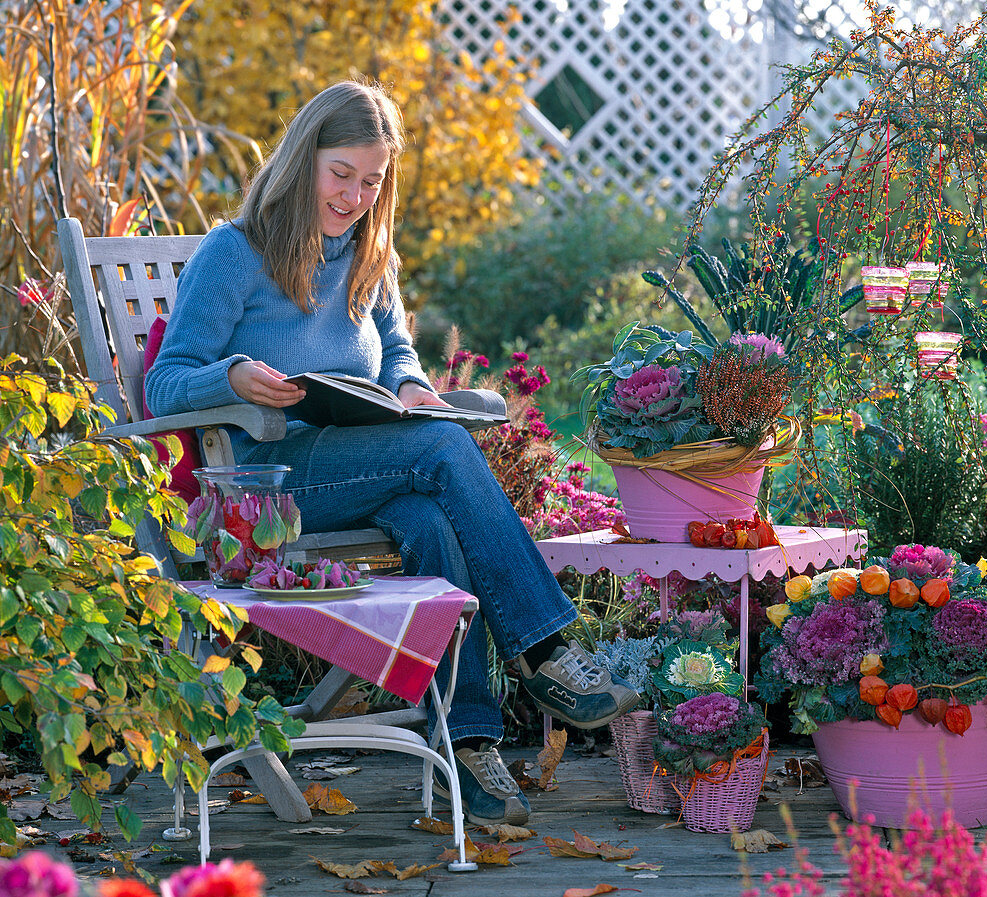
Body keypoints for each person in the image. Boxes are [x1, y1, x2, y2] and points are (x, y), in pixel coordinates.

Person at [145, 80, 640, 826]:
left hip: (358, 459)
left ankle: (468, 745)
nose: (353, 196)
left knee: (430, 518)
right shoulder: (235, 252)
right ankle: (544, 650)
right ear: (302, 159)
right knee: (440, 450)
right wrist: (234, 376)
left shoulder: (369, 253)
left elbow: (399, 353)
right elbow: (165, 381)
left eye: (371, 181)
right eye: (341, 174)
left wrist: (408, 387)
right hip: (267, 483)